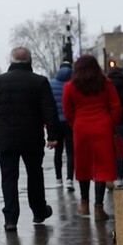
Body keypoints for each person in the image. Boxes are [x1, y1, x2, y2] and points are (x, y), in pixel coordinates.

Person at [0, 46, 58, 232]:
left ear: (11, 60)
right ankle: (39, 211)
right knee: (35, 174)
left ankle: (10, 219)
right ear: (30, 61)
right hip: (32, 137)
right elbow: (49, 110)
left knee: (8, 177)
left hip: (5, 138)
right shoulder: (39, 82)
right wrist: (52, 136)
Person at [63, 54, 122, 221]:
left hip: (81, 128)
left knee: (83, 165)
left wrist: (76, 124)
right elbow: (116, 107)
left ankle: (84, 204)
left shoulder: (70, 86)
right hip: (103, 127)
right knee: (102, 168)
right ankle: (98, 208)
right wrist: (110, 122)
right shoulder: (106, 84)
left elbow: (68, 111)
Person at [48, 61, 75, 192]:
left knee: (58, 152)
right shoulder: (73, 85)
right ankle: (70, 179)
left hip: (56, 122)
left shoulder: (51, 84)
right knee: (70, 152)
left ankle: (59, 179)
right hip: (70, 122)